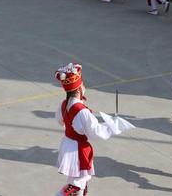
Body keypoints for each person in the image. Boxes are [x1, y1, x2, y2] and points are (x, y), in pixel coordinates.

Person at [54, 62, 134, 196]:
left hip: (68, 143)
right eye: (83, 86)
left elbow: (60, 120)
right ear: (79, 89)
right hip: (78, 149)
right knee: (76, 183)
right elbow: (97, 133)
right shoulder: (82, 111)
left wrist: (71, 128)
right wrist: (112, 125)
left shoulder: (64, 104)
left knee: (81, 182)